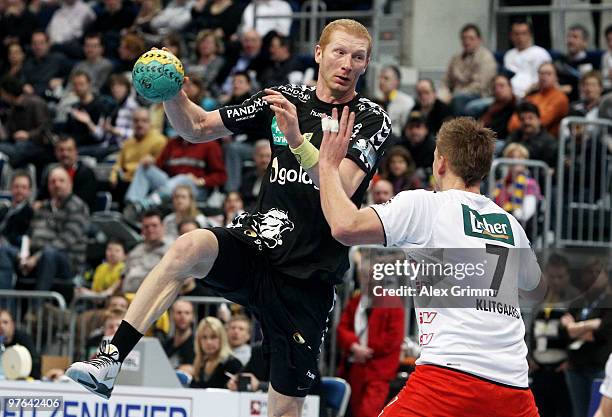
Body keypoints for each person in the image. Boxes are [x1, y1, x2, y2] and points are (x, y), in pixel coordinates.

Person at [66, 19, 391, 417]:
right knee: (190, 246)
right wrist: (173, 92)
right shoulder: (285, 98)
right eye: (339, 52)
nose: (347, 64)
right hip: (257, 249)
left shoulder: (371, 118)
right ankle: (109, 360)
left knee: (284, 410)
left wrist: (295, 139)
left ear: (366, 64)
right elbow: (198, 126)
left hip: (308, 279)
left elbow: (340, 184)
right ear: (319, 54)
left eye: (358, 57)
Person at [317, 116, 546, 416]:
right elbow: (535, 288)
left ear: (441, 162)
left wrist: (327, 165)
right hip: (513, 388)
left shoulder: (427, 205)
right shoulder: (510, 223)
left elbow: (344, 226)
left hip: (449, 378)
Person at [443, 23, 497, 116]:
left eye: (471, 38)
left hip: (478, 95)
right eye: (464, 38)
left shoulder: (486, 58)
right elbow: (446, 80)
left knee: (458, 100)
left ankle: (460, 130)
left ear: (479, 40)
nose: (467, 41)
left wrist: (455, 95)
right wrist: (443, 93)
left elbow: (480, 86)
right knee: (434, 100)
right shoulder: (455, 58)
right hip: (455, 93)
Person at [507, 62, 569, 137]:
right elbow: (512, 124)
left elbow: (542, 122)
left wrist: (521, 124)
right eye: (541, 73)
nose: (544, 77)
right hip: (522, 137)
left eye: (548, 73)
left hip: (545, 141)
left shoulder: (560, 98)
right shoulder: (532, 96)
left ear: (556, 77)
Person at [38, 136, 98, 213]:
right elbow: (41, 198)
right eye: (61, 150)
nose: (65, 154)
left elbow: (84, 202)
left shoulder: (86, 173)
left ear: (76, 151)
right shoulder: (51, 173)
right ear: (55, 152)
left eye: (69, 150)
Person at [0, 171, 34, 289]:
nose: (19, 190)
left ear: (29, 191)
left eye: (23, 187)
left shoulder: (30, 212)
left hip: (17, 251)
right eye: (16, 187)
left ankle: (4, 305)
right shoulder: (4, 210)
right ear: (11, 189)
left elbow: (26, 236)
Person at [189, 316, 242, 388]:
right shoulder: (200, 364)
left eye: (213, 337)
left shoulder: (232, 364)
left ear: (222, 338)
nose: (208, 342)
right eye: (204, 337)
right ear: (199, 341)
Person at [503, 21, 551, 98]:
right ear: (511, 36)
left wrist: (527, 93)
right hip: (509, 96)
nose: (520, 37)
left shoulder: (540, 53)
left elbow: (543, 80)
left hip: (532, 95)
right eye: (516, 34)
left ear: (530, 35)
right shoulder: (508, 55)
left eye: (524, 33)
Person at [0, 309, 40, 378]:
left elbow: (35, 362)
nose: (1, 326)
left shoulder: (23, 339)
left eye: (5, 322)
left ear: (12, 324)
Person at [377, 65, 414, 137]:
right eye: (380, 78)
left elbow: (406, 128)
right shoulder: (375, 101)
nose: (381, 81)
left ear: (396, 82)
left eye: (386, 78)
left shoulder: (406, 102)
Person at [163, 299, 196, 370]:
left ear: (192, 316)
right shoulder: (167, 344)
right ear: (172, 315)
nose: (182, 316)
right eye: (179, 312)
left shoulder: (196, 344)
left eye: (187, 313)